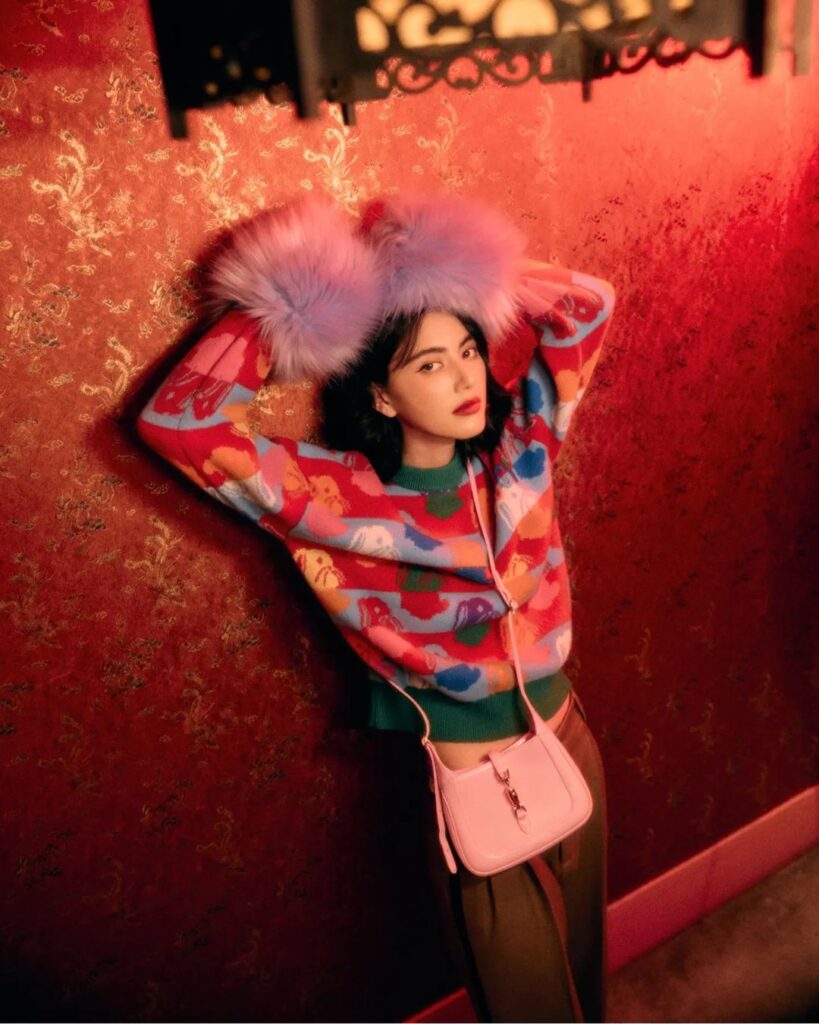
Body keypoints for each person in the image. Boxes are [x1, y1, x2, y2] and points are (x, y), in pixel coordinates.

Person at [137, 194, 616, 1022]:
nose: (465, 377)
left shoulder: (519, 450)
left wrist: (450, 269)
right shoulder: (330, 495)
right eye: (428, 365)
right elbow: (179, 422)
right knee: (527, 1002)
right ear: (382, 395)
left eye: (468, 349)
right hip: (466, 777)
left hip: (567, 736)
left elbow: (588, 306)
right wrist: (308, 301)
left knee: (585, 970)